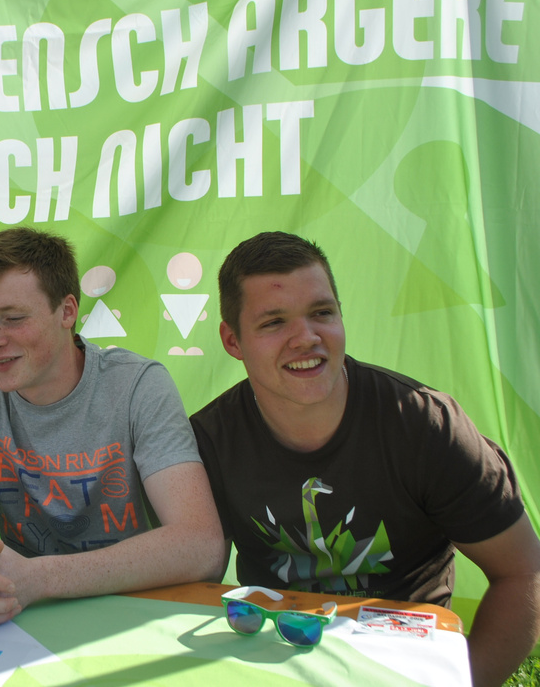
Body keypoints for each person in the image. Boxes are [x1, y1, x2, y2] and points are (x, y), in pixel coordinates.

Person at [190, 231, 540, 687]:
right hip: (273, 662)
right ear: (232, 341)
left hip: (404, 662)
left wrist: (467, 682)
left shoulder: (425, 425)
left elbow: (523, 572)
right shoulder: (209, 441)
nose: (306, 338)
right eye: (274, 322)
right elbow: (191, 586)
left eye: (322, 313)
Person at [0, 228, 226, 626]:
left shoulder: (138, 386)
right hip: (23, 617)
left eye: (13, 319)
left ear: (67, 312)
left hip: (131, 618)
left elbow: (201, 545)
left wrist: (39, 578)